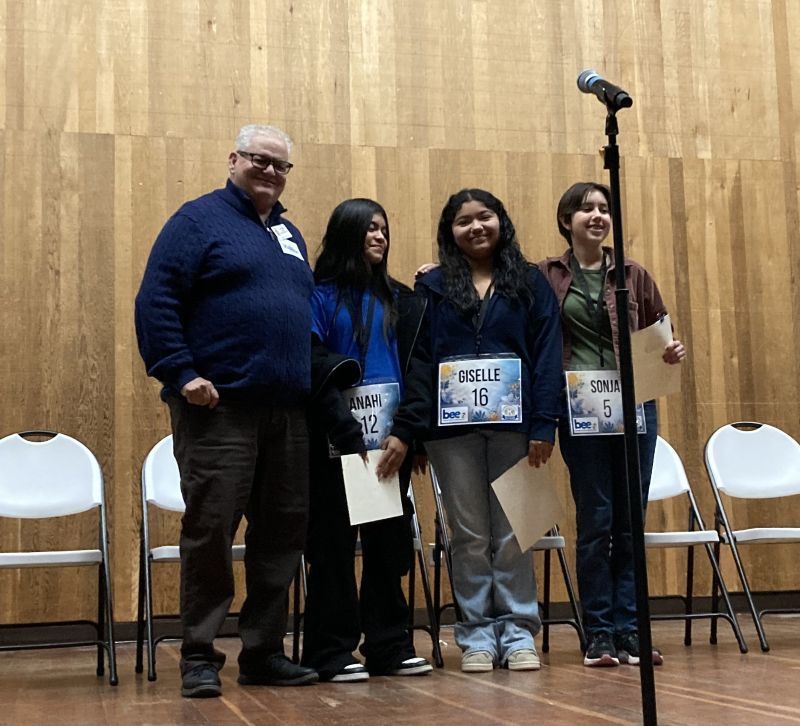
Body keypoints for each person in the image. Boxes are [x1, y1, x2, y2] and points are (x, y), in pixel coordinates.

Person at [135, 124, 319, 697]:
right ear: (233, 159)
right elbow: (156, 299)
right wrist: (181, 372)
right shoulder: (197, 220)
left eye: (280, 165)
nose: (269, 171)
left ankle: (263, 652)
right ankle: (198, 655)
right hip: (220, 410)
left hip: (287, 412)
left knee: (282, 534)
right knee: (211, 529)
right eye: (259, 160)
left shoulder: (289, 233)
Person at [538, 181, 686, 668]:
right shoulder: (547, 275)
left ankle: (631, 631)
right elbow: (496, 287)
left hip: (635, 404)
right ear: (567, 220)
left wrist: (671, 351)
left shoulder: (632, 273)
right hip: (579, 407)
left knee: (629, 525)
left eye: (604, 209)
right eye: (586, 209)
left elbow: (658, 331)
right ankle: (599, 633)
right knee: (595, 522)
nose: (597, 216)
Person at [416, 189, 563, 673]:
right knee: (469, 535)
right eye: (464, 221)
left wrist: (545, 422)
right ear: (449, 231)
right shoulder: (432, 286)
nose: (476, 227)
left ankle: (519, 631)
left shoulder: (530, 283)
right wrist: (416, 428)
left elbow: (546, 356)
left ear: (502, 221)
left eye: (485, 217)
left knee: (513, 534)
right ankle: (477, 635)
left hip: (517, 429)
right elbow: (416, 358)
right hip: (450, 432)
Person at [301, 198, 433, 682]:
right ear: (345, 234)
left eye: (384, 228)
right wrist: (344, 429)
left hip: (388, 447)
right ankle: (330, 651)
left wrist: (405, 435)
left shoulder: (400, 298)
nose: (379, 236)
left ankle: (389, 646)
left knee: (388, 547)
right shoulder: (317, 295)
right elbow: (314, 366)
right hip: (336, 445)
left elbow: (417, 372)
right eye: (368, 229)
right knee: (333, 549)